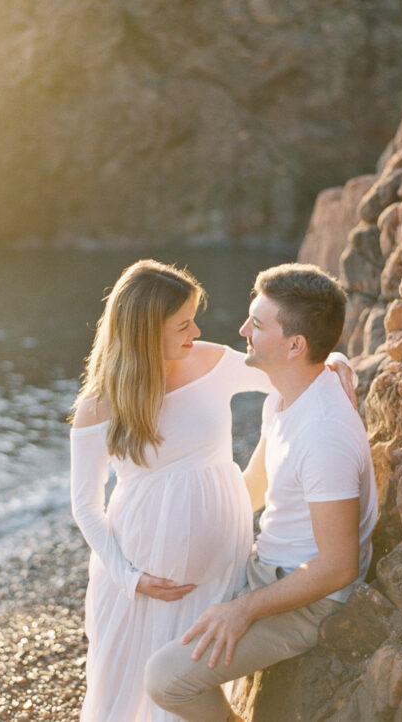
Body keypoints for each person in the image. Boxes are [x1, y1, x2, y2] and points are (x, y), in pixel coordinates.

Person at [69, 259, 354, 721]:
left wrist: (336, 360)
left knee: (183, 688)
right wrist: (130, 576)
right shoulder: (98, 404)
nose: (196, 330)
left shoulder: (214, 362)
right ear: (145, 331)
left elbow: (292, 366)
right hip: (139, 580)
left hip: (218, 568)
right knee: (125, 696)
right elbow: (84, 505)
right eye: (182, 324)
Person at [144, 263, 378, 722]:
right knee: (157, 600)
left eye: (258, 323)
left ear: (295, 345)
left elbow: (337, 566)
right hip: (263, 566)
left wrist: (243, 609)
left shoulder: (324, 434)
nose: (242, 329)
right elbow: (254, 485)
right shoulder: (287, 391)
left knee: (165, 679)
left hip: (308, 599)